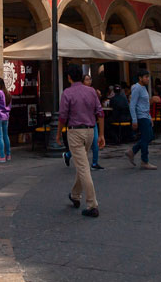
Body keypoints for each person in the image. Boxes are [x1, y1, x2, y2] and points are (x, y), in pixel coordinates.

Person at [57, 64, 105, 218]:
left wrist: (58, 134)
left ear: (69, 77)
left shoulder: (67, 93)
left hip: (75, 132)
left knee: (83, 167)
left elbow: (63, 117)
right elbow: (100, 113)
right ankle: (75, 195)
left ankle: (92, 204)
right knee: (82, 163)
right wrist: (102, 134)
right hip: (90, 131)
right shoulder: (91, 91)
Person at [64, 74, 103, 169]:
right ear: (82, 81)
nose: (89, 81)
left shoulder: (93, 91)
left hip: (92, 121)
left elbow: (98, 108)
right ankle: (68, 155)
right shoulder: (77, 92)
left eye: (90, 79)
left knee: (94, 141)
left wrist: (99, 96)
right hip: (81, 123)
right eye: (87, 79)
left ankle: (94, 163)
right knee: (81, 145)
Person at [126, 69, 156, 170]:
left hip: (146, 116)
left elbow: (145, 104)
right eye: (146, 77)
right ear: (140, 78)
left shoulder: (144, 88)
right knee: (145, 138)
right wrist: (134, 120)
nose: (148, 79)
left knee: (149, 136)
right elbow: (132, 105)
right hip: (141, 117)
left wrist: (150, 117)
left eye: (148, 77)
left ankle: (133, 151)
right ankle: (144, 161)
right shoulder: (137, 88)